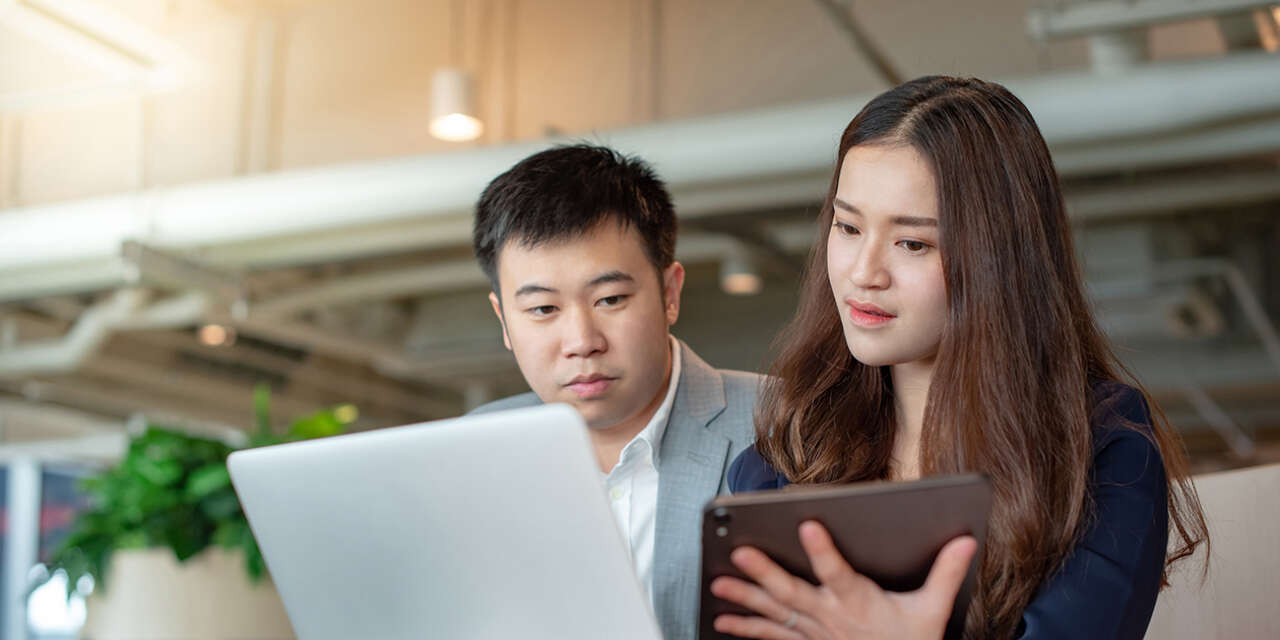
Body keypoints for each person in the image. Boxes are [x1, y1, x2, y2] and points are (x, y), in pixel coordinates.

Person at [713, 77, 1209, 640]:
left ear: (1000, 257)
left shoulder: (1099, 447)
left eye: (914, 243)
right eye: (848, 227)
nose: (863, 273)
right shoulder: (783, 460)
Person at [469, 144, 761, 640]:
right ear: (503, 320)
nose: (582, 341)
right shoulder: (470, 454)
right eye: (542, 310)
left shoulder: (791, 423)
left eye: (610, 299)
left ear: (670, 293)